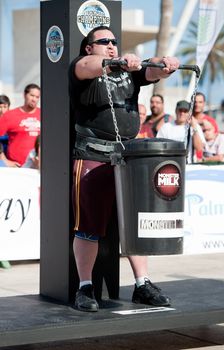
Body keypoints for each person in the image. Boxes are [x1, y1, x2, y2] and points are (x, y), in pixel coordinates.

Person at [69, 25, 180, 312]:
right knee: (88, 228)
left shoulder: (127, 73)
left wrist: (165, 64)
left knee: (134, 224)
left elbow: (152, 71)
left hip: (127, 158)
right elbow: (87, 66)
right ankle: (84, 287)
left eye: (114, 42)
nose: (110, 45)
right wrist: (114, 61)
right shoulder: (84, 68)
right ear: (89, 47)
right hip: (93, 156)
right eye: (103, 41)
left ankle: (142, 284)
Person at [0, 84, 40, 167]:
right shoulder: (9, 115)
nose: (34, 99)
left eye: (37, 97)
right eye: (32, 95)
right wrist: (4, 160)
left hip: (38, 168)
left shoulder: (44, 115)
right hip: (17, 169)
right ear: (24, 95)